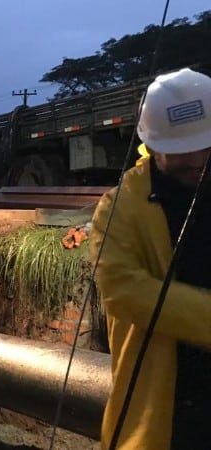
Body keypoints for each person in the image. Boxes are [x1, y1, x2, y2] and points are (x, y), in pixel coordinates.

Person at [89, 68, 211, 450]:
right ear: (152, 145)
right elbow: (123, 290)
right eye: (180, 154)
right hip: (163, 413)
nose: (195, 160)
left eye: (205, 148)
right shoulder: (120, 208)